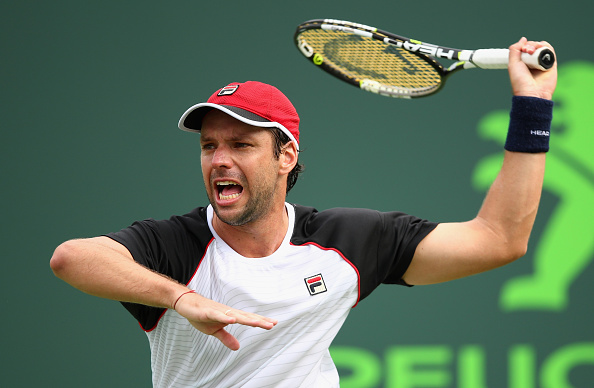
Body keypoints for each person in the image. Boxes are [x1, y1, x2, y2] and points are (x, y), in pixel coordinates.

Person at [50, 38, 557, 387]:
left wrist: (532, 103)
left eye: (241, 144)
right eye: (209, 146)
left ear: (285, 156)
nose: (219, 159)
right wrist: (181, 298)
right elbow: (71, 258)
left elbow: (498, 239)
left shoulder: (349, 240)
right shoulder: (174, 246)